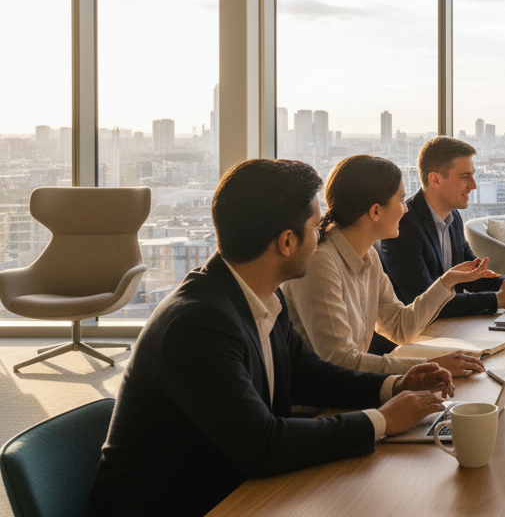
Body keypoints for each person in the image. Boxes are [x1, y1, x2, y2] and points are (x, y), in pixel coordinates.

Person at [90, 159, 457, 517]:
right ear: (286, 242)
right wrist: (382, 421)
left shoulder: (259, 297)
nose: (322, 237)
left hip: (233, 487)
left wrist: (394, 385)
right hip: (187, 503)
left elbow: (309, 375)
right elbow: (262, 445)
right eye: (316, 229)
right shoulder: (197, 325)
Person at [282, 154, 495, 375]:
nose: (406, 209)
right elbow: (340, 361)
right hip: (321, 406)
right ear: (375, 211)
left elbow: (399, 328)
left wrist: (446, 282)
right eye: (402, 200)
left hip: (354, 390)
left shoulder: (369, 257)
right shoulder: (320, 262)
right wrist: (431, 367)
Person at [381, 137, 505, 320]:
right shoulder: (404, 226)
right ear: (435, 180)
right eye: (465, 177)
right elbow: (424, 303)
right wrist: (498, 299)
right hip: (415, 337)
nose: (474, 185)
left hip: (449, 327)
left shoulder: (453, 218)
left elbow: (473, 276)